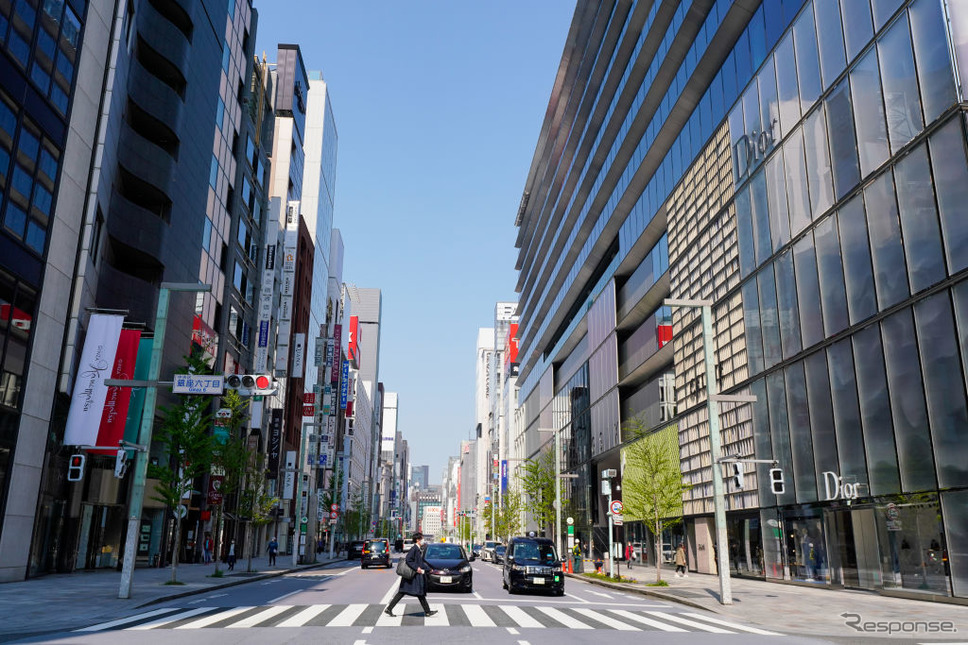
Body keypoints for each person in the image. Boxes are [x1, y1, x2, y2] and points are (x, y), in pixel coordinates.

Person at [384, 532, 436, 618]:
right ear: (417, 540)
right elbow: (409, 560)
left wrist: (429, 569)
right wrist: (417, 568)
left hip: (414, 575)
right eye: (422, 538)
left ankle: (427, 611)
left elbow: (420, 562)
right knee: (410, 592)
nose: (423, 540)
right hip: (412, 576)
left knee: (417, 593)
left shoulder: (418, 548)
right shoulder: (414, 549)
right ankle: (427, 611)